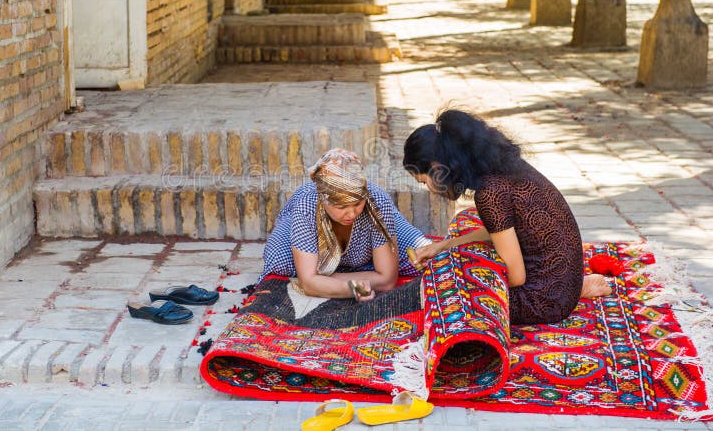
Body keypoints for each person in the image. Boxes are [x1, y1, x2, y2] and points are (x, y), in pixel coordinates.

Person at [403, 109, 611, 325]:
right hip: (562, 280)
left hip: (544, 299)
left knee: (449, 294)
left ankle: (575, 292)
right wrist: (445, 246)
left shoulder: (490, 193)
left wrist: (456, 274)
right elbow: (499, 230)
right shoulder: (502, 167)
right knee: (460, 258)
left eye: (423, 181)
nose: (428, 189)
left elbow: (515, 276)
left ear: (437, 168)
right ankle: (576, 289)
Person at [259, 148, 430, 302]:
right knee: (278, 260)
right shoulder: (306, 206)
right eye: (341, 207)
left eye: (357, 204)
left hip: (374, 225)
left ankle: (333, 270)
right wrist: (350, 287)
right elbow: (308, 283)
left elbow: (387, 280)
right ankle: (354, 269)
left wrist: (323, 280)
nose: (351, 213)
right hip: (307, 227)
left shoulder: (376, 201)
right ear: (323, 201)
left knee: (423, 254)